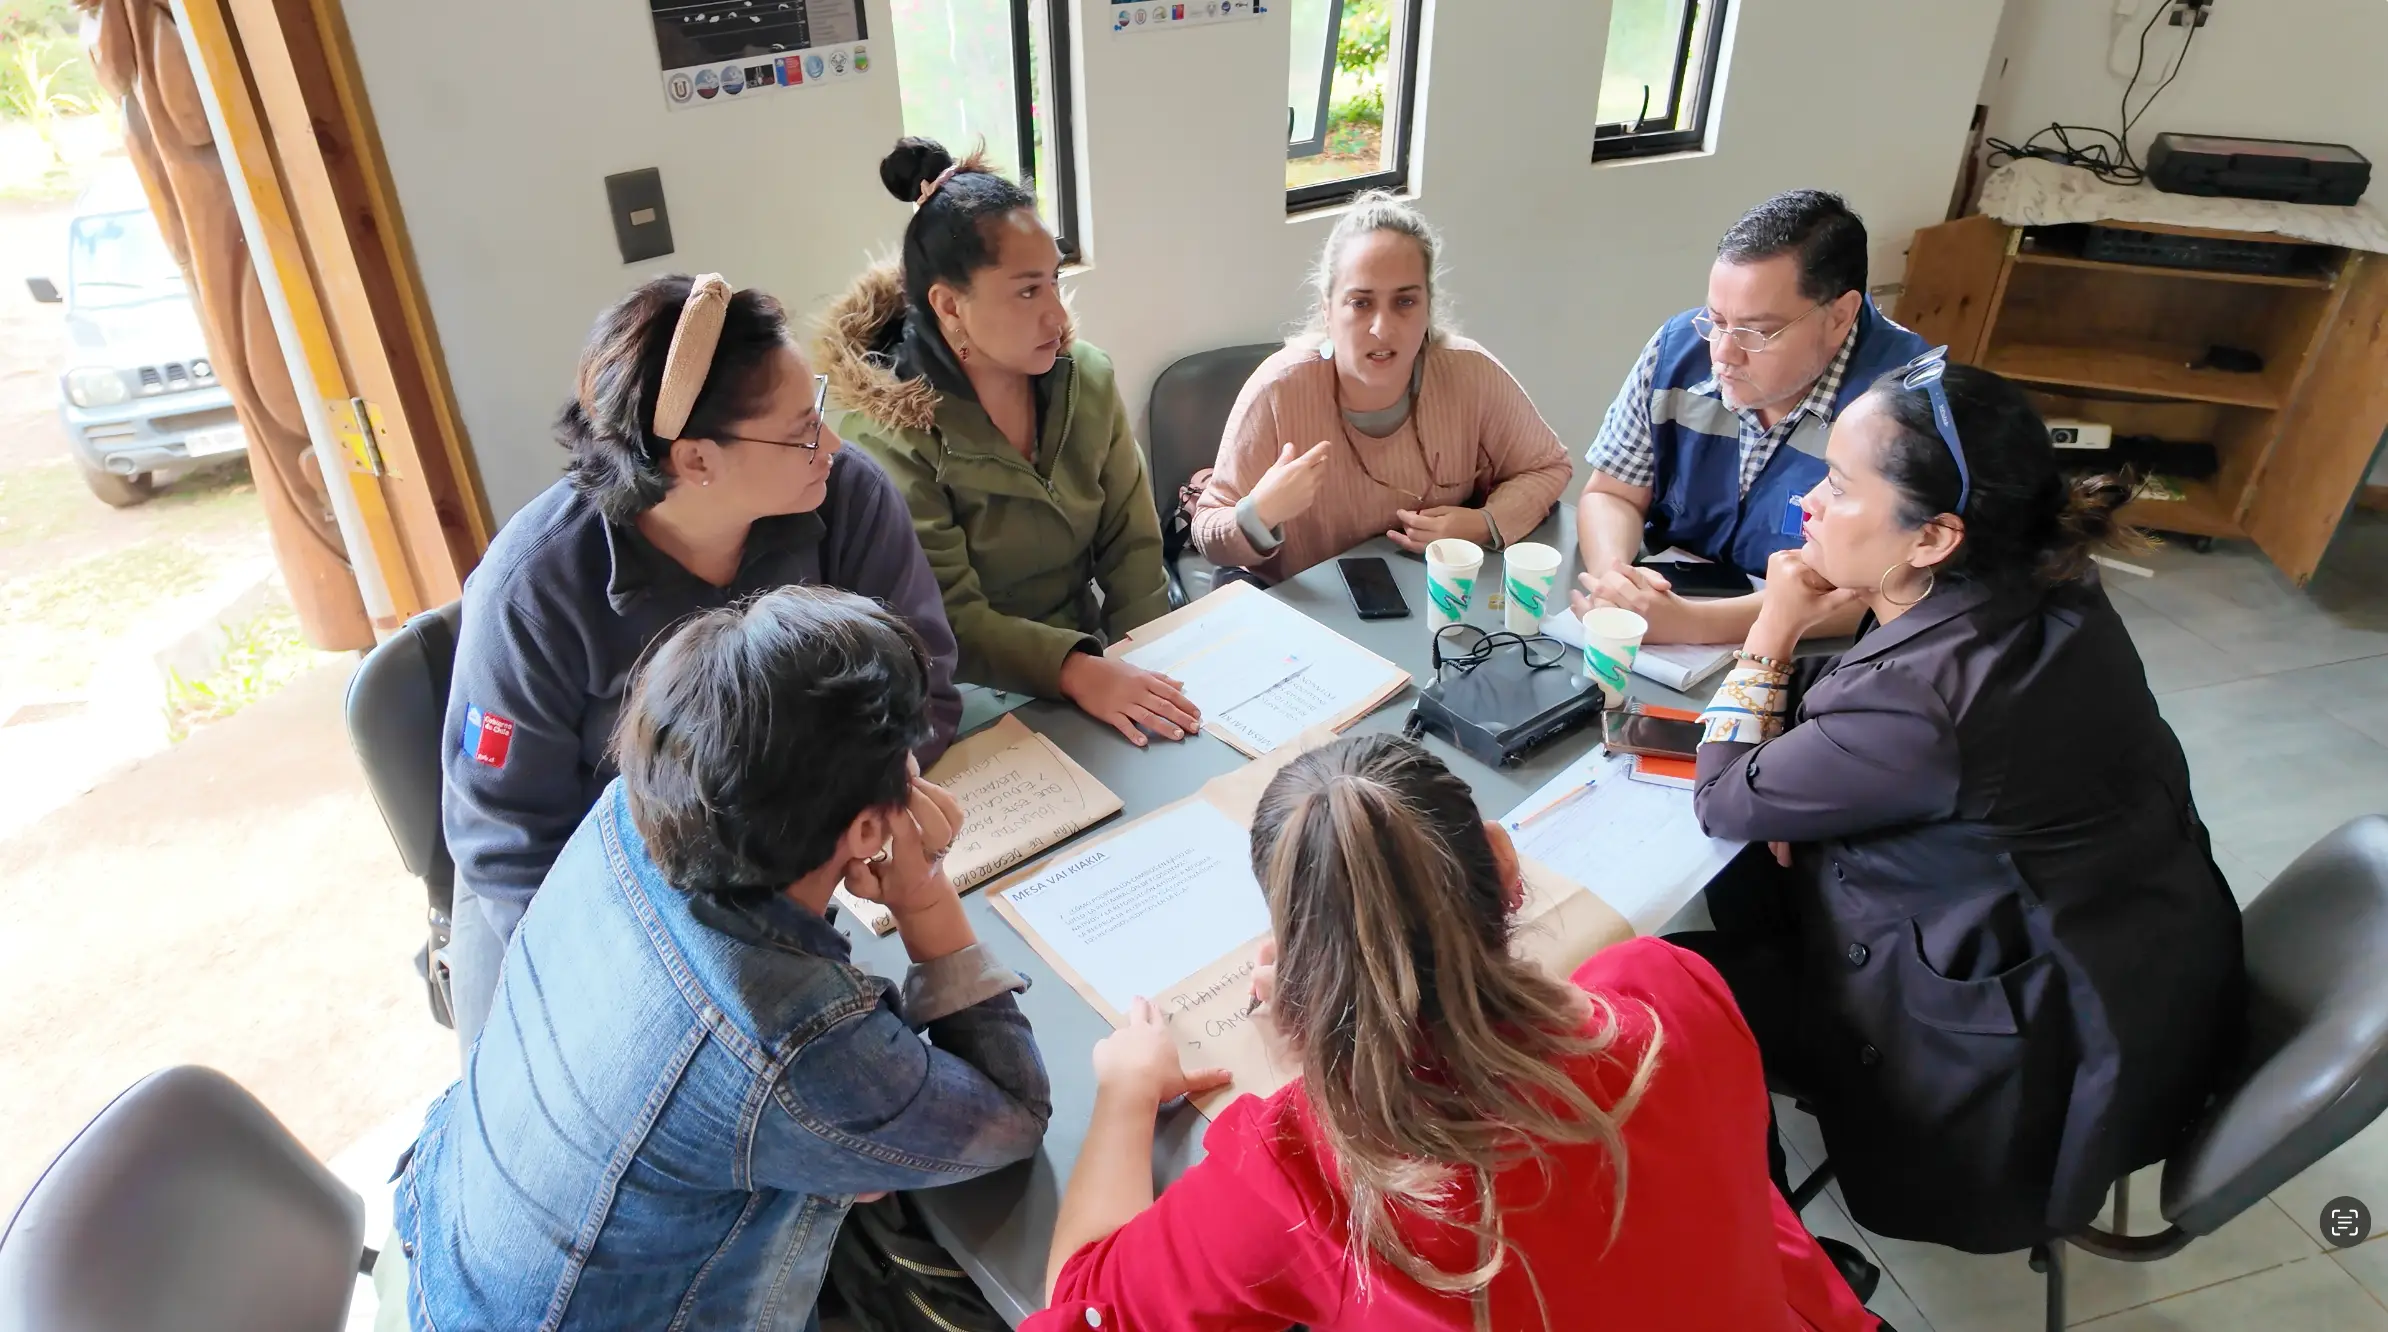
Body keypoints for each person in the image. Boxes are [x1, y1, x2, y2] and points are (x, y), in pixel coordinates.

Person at [1674, 354, 2245, 1254]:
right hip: (2120, 970)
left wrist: (1772, 629)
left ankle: (1764, 1255)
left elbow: (1722, 798)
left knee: (1661, 987)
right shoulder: (2051, 580)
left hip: (1990, 1060)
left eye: (1837, 486)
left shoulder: (1924, 700)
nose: (1806, 504)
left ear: (1935, 537)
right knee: (1751, 870)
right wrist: (1803, 783)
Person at [1036, 733, 1883, 1331]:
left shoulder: (1297, 1172)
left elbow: (1079, 1305)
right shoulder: (1667, 990)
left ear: (1299, 960)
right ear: (1505, 866)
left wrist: (1126, 1091)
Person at [398, 587, 1050, 1331]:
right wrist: (926, 898)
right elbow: (1014, 1118)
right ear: (870, 827)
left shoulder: (630, 808)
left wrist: (829, 1134)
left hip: (451, 1234)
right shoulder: (791, 1034)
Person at [439, 274, 962, 1054]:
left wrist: (846, 821)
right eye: (801, 431)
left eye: (817, 409)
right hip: (590, 896)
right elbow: (507, 841)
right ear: (695, 459)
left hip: (802, 859)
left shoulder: (845, 496)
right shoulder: (531, 592)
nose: (832, 444)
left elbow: (925, 690)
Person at [821, 138, 1199, 750]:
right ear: (949, 306)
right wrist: (1081, 671)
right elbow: (951, 621)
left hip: (1101, 669)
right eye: (1027, 291)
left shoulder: (1086, 379)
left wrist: (1155, 662)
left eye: (1054, 281)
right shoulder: (891, 440)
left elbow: (1132, 546)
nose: (1057, 316)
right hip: (969, 699)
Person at [1573, 190, 1928, 646]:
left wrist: (1695, 624)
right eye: (1717, 320)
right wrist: (1619, 585)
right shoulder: (1676, 350)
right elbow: (1612, 493)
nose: (1723, 353)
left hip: (1815, 651)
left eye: (1757, 332)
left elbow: (1889, 588)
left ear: (1840, 316)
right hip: (1666, 610)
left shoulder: (1907, 400)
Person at [1192, 192, 1572, 583]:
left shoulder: (1468, 373)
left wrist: (1482, 524)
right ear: (1327, 310)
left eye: (1404, 302)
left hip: (1438, 598)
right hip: (1307, 610)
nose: (1382, 328)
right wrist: (1259, 514)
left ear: (1428, 307)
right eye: (1360, 303)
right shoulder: (1279, 390)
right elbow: (1207, 529)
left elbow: (1547, 466)